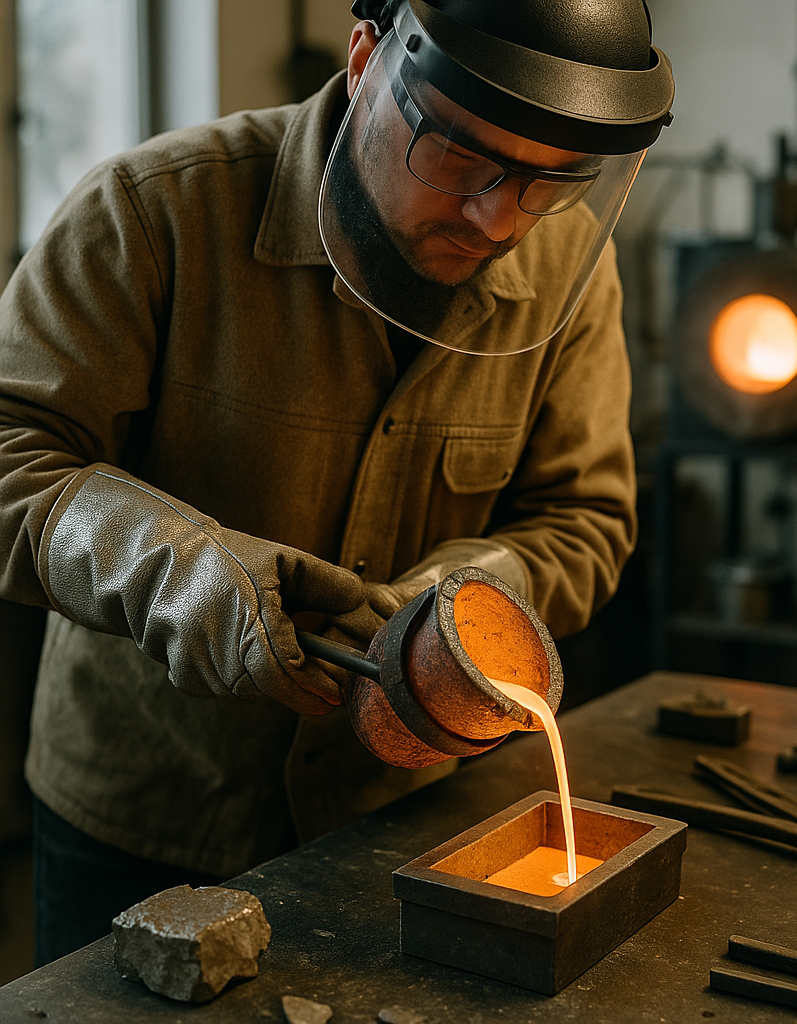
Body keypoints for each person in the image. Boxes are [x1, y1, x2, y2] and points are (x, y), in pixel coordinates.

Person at [0, 0, 673, 965]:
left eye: (549, 182)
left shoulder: (569, 265)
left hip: (403, 818)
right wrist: (179, 570)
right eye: (459, 158)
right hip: (151, 817)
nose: (499, 219)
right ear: (366, 60)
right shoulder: (154, 213)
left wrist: (467, 602)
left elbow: (586, 519)